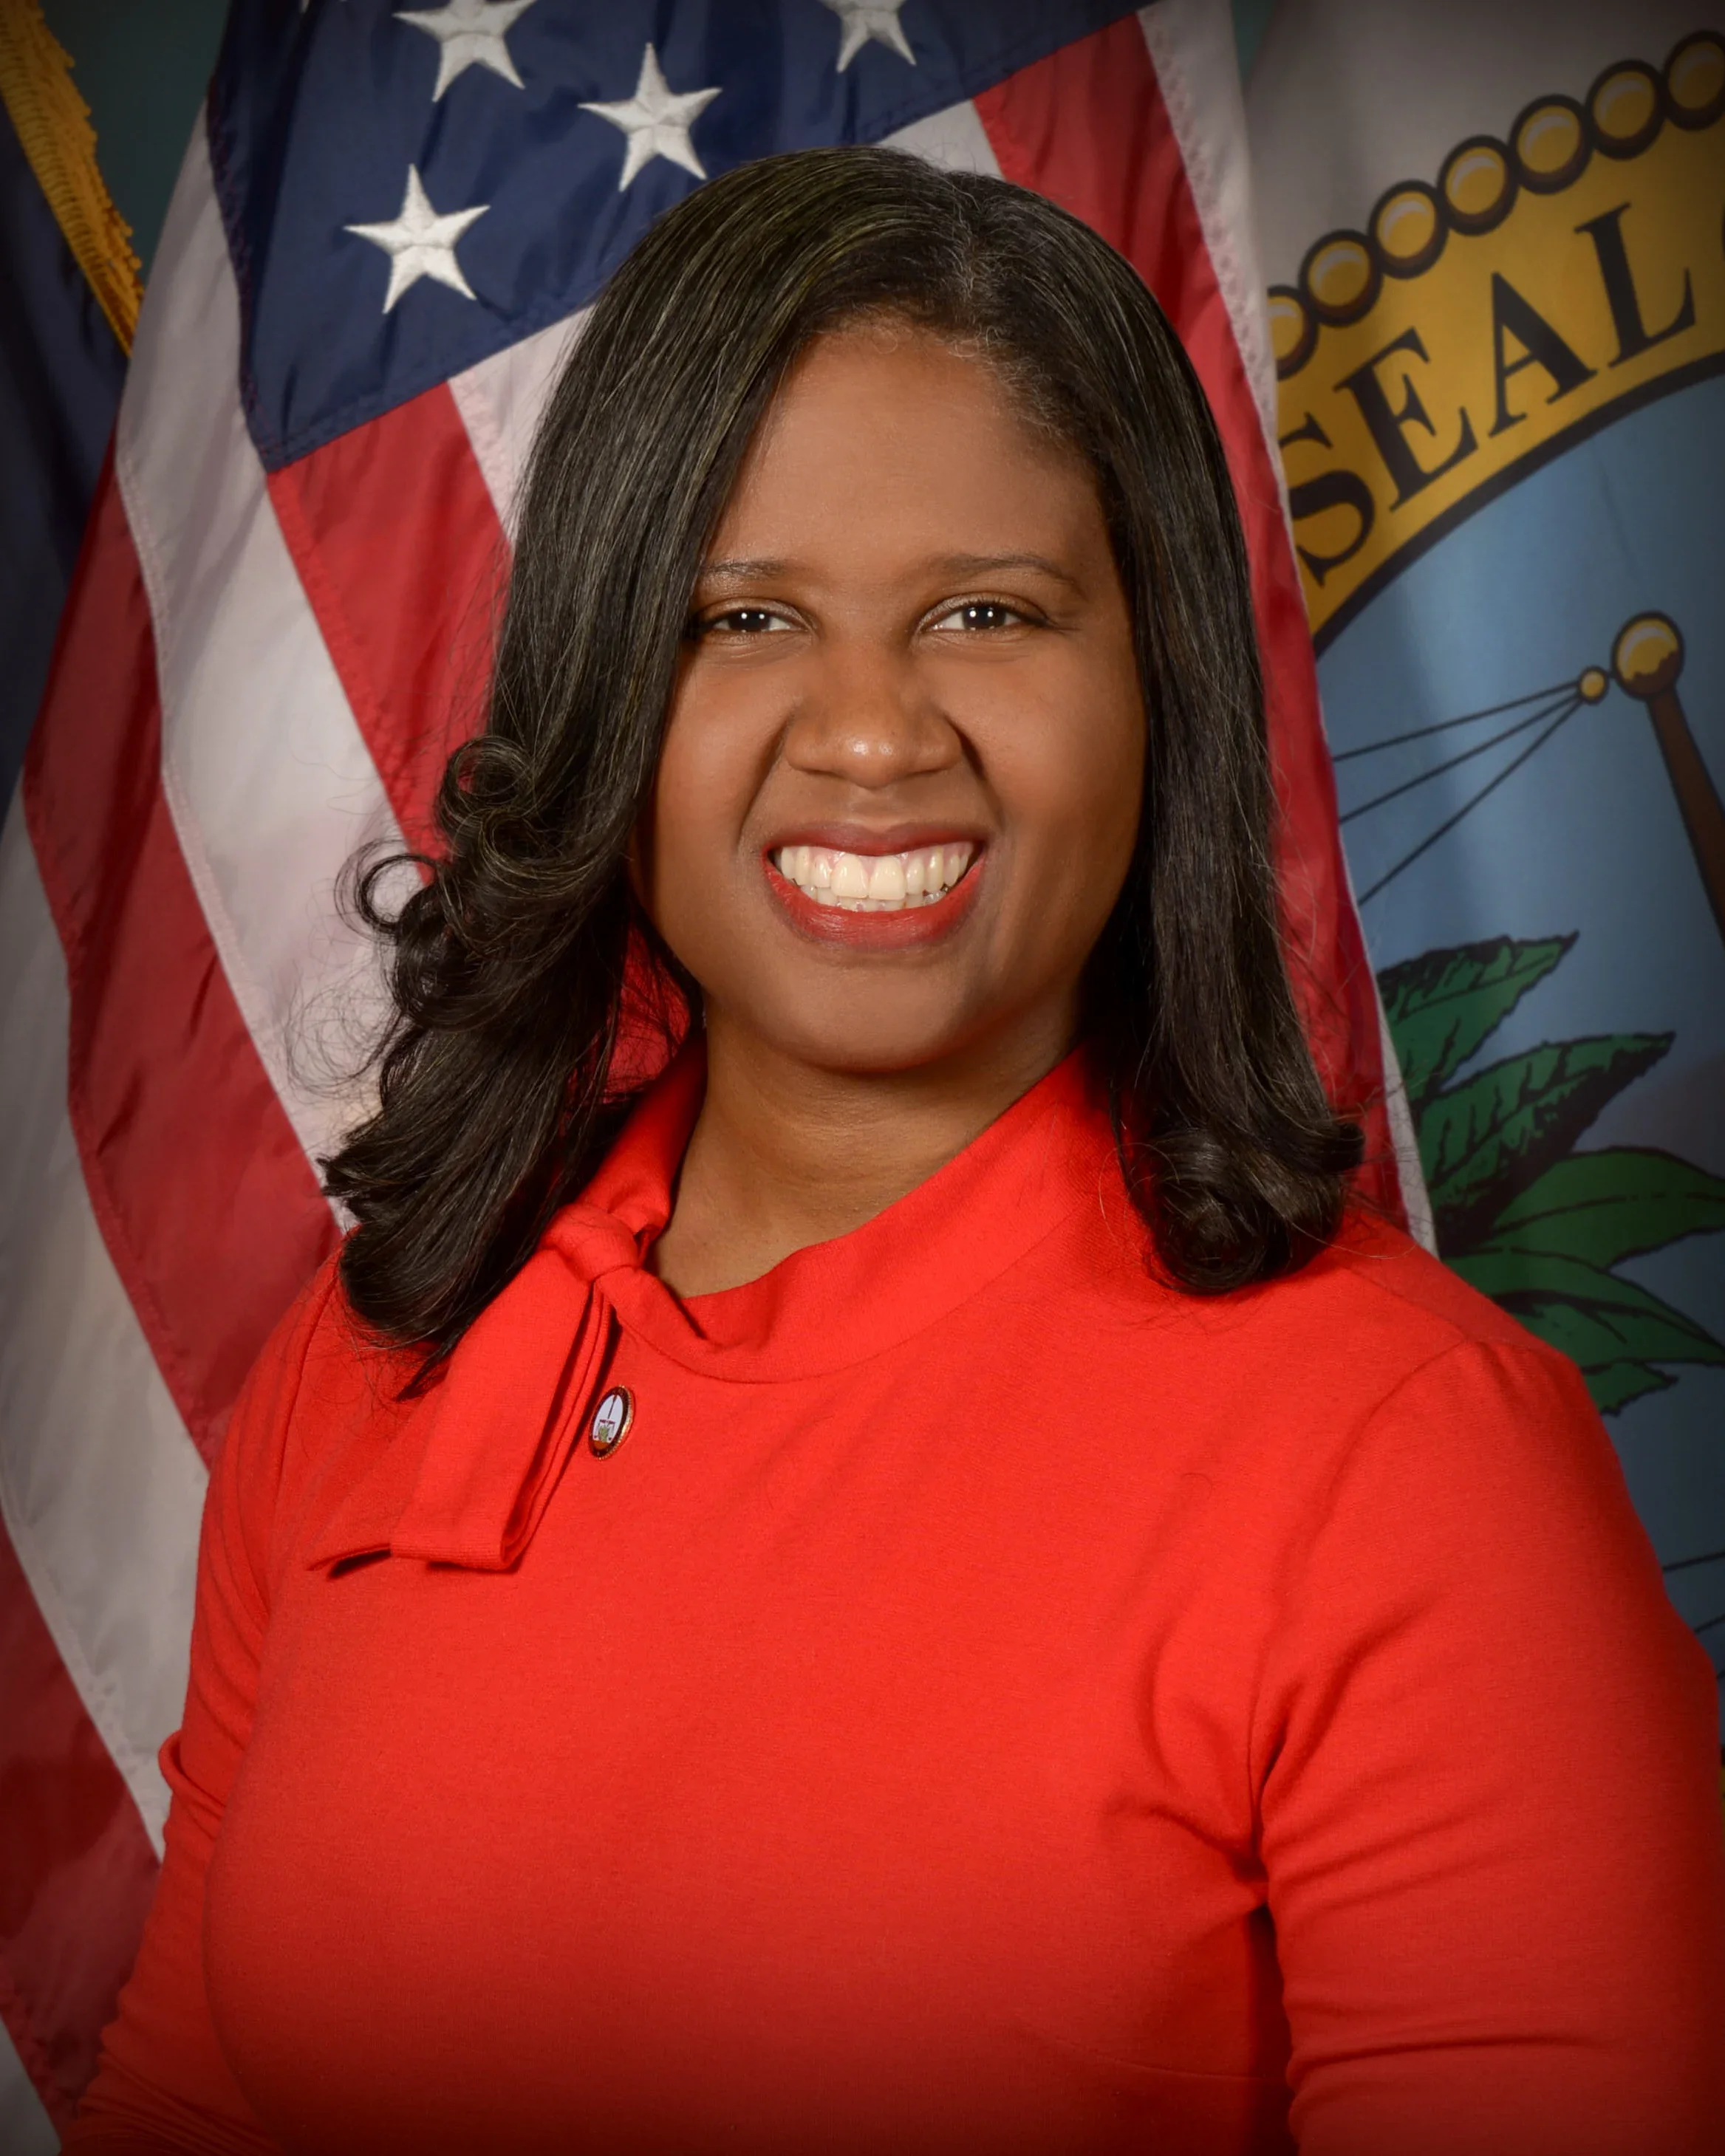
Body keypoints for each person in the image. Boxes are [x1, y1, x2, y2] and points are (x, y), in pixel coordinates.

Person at [68, 146, 1724, 2156]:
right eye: (743, 613)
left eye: (981, 610)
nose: (869, 732)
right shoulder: (370, 1362)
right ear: (605, 688)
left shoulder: (1413, 1454)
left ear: (1157, 692)